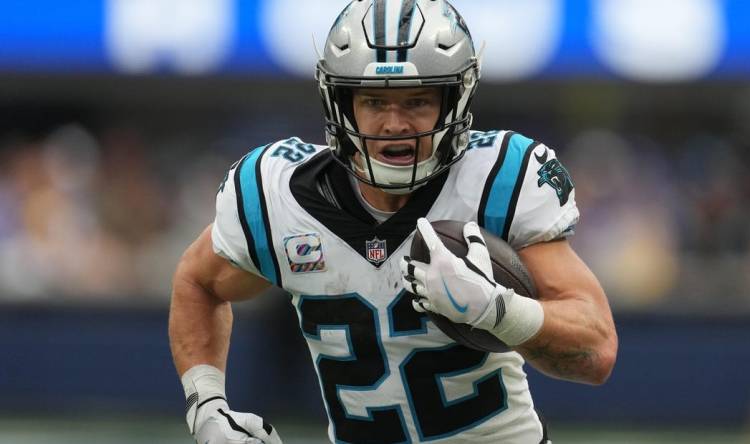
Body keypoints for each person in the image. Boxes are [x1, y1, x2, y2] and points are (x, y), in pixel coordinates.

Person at [168, 1, 618, 443]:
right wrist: (207, 406)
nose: (394, 123)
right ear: (341, 103)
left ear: (453, 101)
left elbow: (596, 352)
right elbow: (198, 282)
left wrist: (497, 310)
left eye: (418, 100)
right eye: (374, 101)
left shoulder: (497, 181)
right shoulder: (279, 194)